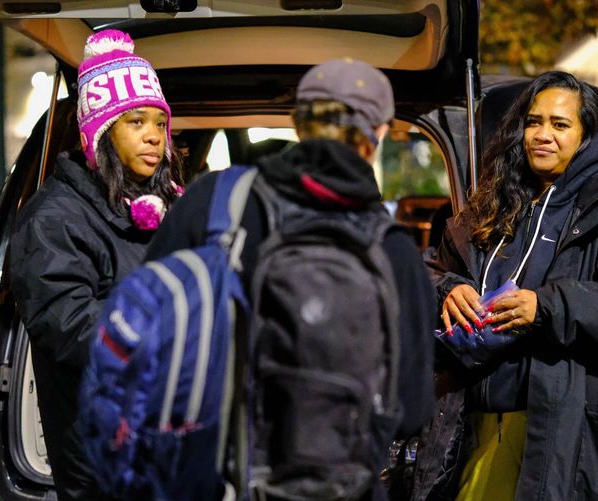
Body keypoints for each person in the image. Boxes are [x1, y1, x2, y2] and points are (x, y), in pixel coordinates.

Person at [144, 58, 436, 498]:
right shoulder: (393, 250)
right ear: (378, 134)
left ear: (300, 124)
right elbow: (411, 410)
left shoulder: (215, 202)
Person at [416, 71, 598, 500]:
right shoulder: (497, 202)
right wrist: (449, 288)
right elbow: (430, 270)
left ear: (587, 134)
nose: (542, 135)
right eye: (534, 122)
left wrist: (548, 305)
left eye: (559, 124)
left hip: (563, 433)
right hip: (472, 423)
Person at [10, 30, 182, 500]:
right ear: (101, 133)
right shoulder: (53, 219)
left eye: (159, 124)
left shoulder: (160, 209)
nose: (153, 134)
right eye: (135, 121)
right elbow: (69, 326)